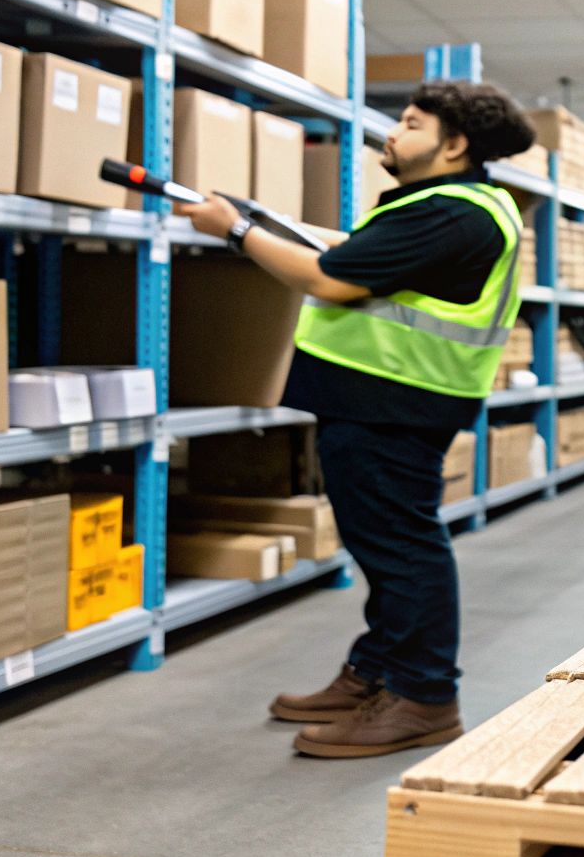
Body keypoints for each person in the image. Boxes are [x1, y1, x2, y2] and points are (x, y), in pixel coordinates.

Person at [176, 82, 535, 758]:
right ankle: (377, 671)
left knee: (403, 550)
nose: (391, 134)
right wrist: (267, 222)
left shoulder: (451, 213)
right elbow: (352, 254)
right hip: (381, 399)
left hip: (393, 402)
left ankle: (424, 697)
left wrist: (236, 231)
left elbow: (329, 280)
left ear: (454, 145)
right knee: (385, 548)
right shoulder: (451, 206)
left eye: (410, 123)